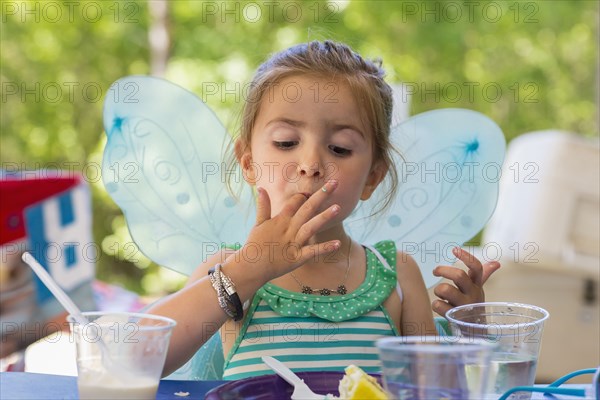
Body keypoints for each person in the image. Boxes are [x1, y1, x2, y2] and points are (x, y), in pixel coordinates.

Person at [148, 40, 501, 380]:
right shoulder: (227, 272)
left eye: (340, 148)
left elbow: (435, 390)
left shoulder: (398, 276)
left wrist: (470, 328)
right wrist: (247, 270)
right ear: (249, 162)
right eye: (286, 142)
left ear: (372, 177)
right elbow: (135, 356)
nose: (311, 164)